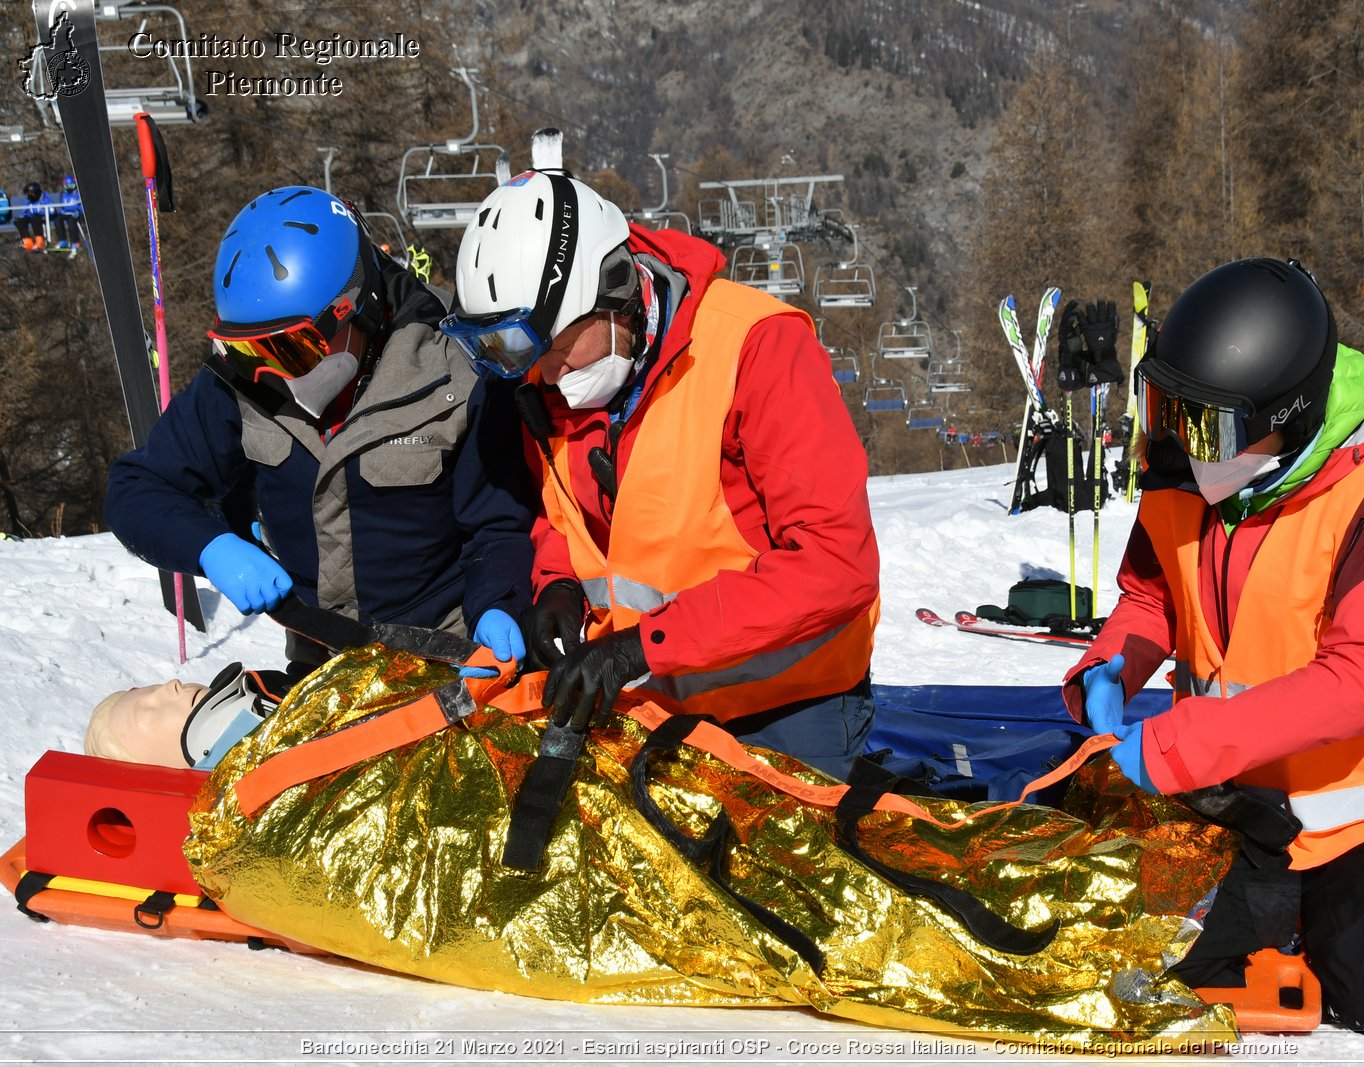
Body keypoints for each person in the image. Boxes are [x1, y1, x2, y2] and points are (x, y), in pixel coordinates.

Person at [1061, 257, 1364, 1035]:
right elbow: (1153, 598)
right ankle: (1277, 904)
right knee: (1119, 939)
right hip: (1237, 792)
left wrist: (1181, 743)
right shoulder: (1183, 476)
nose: (1185, 445)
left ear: (1281, 422)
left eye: (1207, 426)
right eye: (1170, 409)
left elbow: (1360, 680)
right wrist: (1112, 666)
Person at [442, 169, 880, 779]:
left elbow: (836, 563)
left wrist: (644, 647)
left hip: (782, 700)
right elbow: (564, 514)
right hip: (645, 694)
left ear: (614, 291)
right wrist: (558, 586)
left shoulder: (757, 348)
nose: (538, 375)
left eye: (549, 348)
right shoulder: (557, 381)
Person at [105, 185, 534, 679]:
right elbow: (138, 488)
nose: (274, 375)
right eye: (248, 350)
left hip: (444, 653)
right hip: (322, 661)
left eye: (291, 350)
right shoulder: (243, 380)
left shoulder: (454, 368)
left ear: (355, 309)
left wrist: (497, 604)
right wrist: (211, 546)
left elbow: (499, 526)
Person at [15, 181, 51, 252]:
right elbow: (25, 211)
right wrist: (24, 216)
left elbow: (50, 210)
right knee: (20, 221)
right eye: (28, 193)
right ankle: (27, 242)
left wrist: (40, 212)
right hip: (30, 217)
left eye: (31, 193)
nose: (29, 195)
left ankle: (40, 242)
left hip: (41, 217)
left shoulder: (44, 199)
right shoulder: (28, 201)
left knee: (35, 218)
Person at [53, 174, 82, 252]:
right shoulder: (63, 194)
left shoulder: (78, 193)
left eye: (71, 186)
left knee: (71, 222)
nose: (69, 188)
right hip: (66, 213)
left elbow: (83, 205)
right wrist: (62, 211)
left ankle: (75, 242)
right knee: (57, 220)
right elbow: (62, 205)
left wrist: (79, 211)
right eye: (67, 186)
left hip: (76, 213)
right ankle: (63, 241)